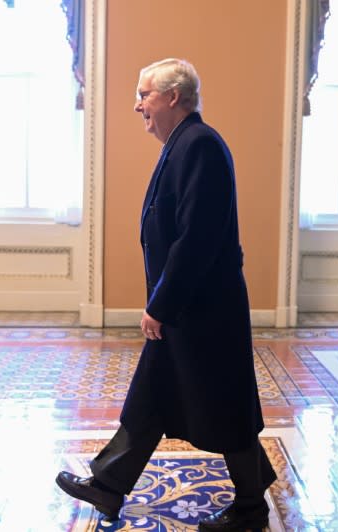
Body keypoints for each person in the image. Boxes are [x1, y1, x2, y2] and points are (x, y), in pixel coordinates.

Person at [55, 58, 276, 531]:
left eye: (145, 95)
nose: (138, 106)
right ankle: (109, 486)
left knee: (227, 405)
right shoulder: (184, 143)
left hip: (204, 309)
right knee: (152, 395)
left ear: (173, 97)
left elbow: (196, 238)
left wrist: (160, 304)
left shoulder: (200, 146)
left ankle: (251, 509)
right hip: (189, 306)